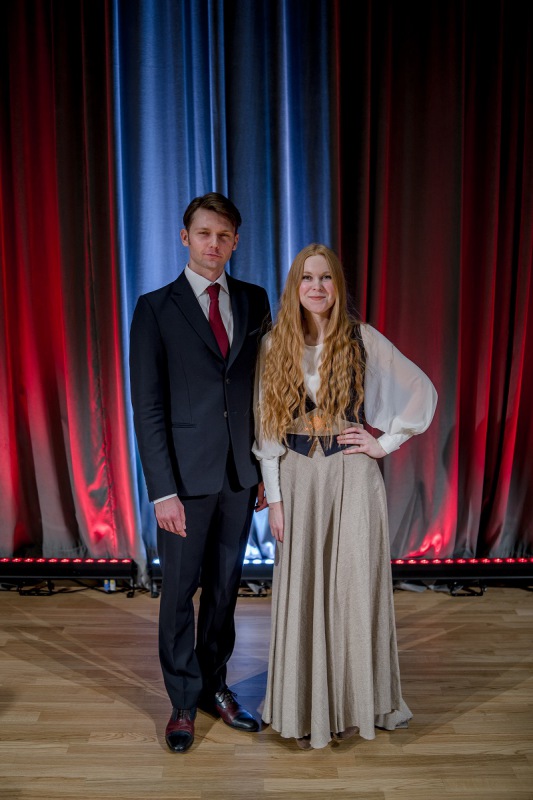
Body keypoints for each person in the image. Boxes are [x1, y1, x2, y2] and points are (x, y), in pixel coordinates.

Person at [253, 243, 437, 750]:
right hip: (297, 479)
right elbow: (266, 432)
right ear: (295, 287)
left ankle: (355, 704)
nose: (316, 287)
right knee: (304, 590)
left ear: (337, 286)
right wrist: (276, 500)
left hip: (353, 477)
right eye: (307, 278)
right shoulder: (273, 345)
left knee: (353, 591)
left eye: (326, 278)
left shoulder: (362, 338)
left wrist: (384, 443)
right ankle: (304, 708)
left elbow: (421, 391)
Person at [129, 192, 271, 753]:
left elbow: (265, 392)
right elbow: (148, 408)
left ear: (235, 242)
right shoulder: (155, 309)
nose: (215, 243)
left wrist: (267, 471)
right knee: (179, 595)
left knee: (224, 590)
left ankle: (215, 686)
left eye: (224, 236)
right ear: (185, 238)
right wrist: (161, 490)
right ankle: (183, 701)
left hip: (240, 475)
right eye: (205, 233)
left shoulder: (255, 300)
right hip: (183, 484)